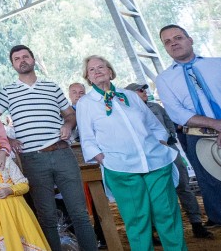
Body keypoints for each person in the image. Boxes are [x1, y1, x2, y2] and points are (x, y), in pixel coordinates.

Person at [0, 45, 97, 251]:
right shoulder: (7, 91)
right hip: (32, 159)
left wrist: (67, 125)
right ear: (13, 65)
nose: (22, 60)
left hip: (63, 152)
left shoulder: (52, 86)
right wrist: (7, 142)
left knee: (79, 213)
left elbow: (70, 115)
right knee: (46, 216)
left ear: (33, 59)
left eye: (25, 56)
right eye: (17, 58)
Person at [77, 55, 186, 250]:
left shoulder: (132, 96)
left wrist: (160, 143)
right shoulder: (86, 103)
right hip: (121, 169)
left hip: (156, 162)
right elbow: (87, 139)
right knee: (137, 220)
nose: (97, 71)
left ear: (110, 71)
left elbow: (155, 126)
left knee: (167, 213)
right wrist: (103, 159)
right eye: (91, 70)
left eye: (101, 66)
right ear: (88, 78)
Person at [127, 82, 213, 239]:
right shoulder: (127, 111)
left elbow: (169, 124)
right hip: (147, 156)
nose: (144, 92)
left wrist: (167, 139)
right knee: (151, 192)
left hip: (169, 150)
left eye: (144, 89)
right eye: (140, 90)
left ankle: (196, 224)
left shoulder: (156, 107)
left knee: (182, 185)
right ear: (131, 95)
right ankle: (155, 230)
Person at [155, 24, 221, 225]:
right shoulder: (163, 79)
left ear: (190, 39)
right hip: (198, 136)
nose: (173, 43)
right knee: (213, 185)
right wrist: (218, 125)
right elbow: (176, 112)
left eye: (178, 37)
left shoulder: (216, 64)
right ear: (165, 48)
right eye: (167, 41)